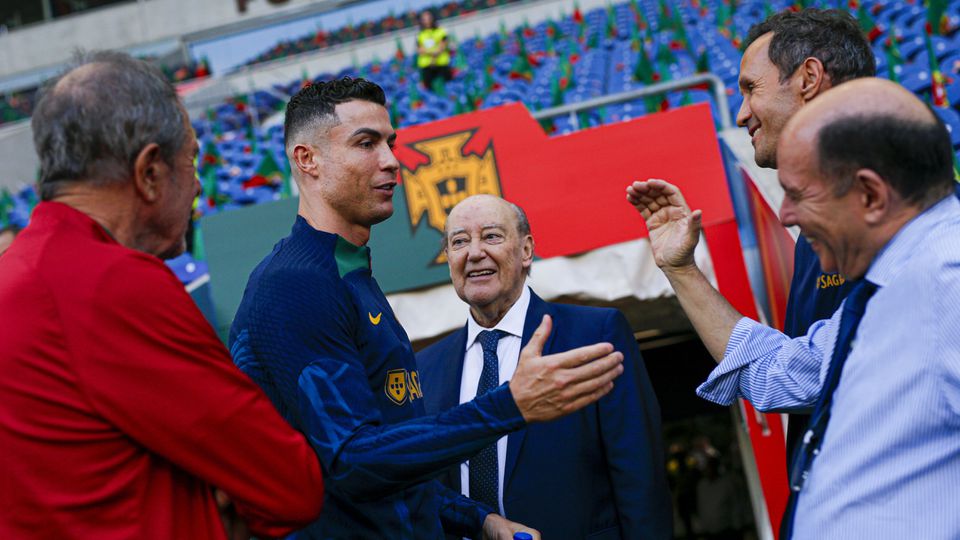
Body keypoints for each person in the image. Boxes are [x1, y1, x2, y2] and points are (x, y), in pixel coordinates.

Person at [229, 77, 625, 539]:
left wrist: (480, 520)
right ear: (307, 159)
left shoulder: (351, 274)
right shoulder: (294, 284)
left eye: (390, 143)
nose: (392, 161)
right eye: (366, 143)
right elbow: (354, 461)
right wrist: (509, 405)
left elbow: (394, 462)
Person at [0, 51, 325, 538]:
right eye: (191, 159)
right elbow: (290, 485)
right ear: (150, 172)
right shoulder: (114, 283)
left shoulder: (16, 275)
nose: (197, 184)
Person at [628, 78, 960, 539]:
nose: (785, 215)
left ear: (870, 195)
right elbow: (783, 373)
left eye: (799, 194)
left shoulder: (949, 282)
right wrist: (681, 270)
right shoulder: (887, 289)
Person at [417, 195, 673, 540]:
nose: (474, 252)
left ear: (526, 251)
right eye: (459, 241)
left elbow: (640, 474)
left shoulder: (594, 335)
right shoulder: (425, 368)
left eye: (491, 236)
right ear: (448, 259)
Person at [734, 8, 874, 463]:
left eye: (751, 88)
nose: (740, 114)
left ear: (809, 78)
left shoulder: (903, 219)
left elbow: (798, 377)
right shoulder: (812, 234)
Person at [416, 10, 452, 91]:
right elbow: (420, 50)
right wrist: (433, 52)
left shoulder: (440, 31)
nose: (427, 21)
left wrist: (429, 52)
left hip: (442, 63)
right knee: (429, 89)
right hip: (427, 66)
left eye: (429, 18)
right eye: (424, 19)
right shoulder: (421, 34)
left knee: (448, 87)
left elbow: (442, 46)